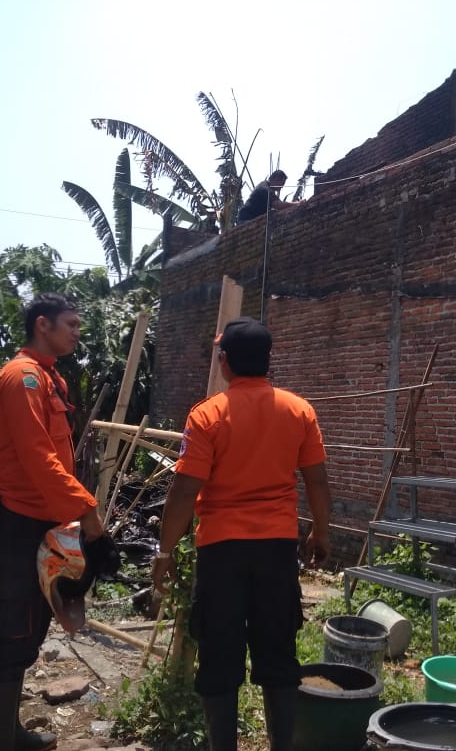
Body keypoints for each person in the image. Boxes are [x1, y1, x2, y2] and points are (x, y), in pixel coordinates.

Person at [152, 316, 332, 751]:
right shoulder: (298, 410)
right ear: (268, 361)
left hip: (221, 552)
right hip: (276, 549)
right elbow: (317, 480)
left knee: (219, 655)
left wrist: (165, 549)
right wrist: (320, 532)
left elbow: (184, 491)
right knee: (278, 653)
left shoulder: (208, 414)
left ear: (225, 362)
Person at [0, 293, 106, 751]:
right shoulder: (23, 378)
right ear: (43, 325)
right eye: (70, 324)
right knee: (10, 633)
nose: (77, 331)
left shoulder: (50, 379)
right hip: (16, 523)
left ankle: (8, 734)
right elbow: (38, 459)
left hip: (45, 521)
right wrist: (87, 510)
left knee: (31, 629)